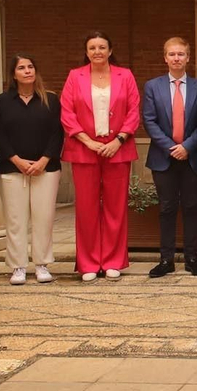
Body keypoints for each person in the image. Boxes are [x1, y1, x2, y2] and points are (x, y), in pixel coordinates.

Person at [60, 31, 140, 281]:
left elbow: (133, 111)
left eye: (102, 47)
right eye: (92, 48)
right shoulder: (75, 76)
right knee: (86, 208)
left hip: (118, 148)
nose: (97, 52)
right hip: (85, 150)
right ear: (86, 52)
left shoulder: (125, 75)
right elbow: (67, 113)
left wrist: (118, 140)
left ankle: (114, 260)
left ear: (110, 50)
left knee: (116, 208)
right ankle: (89, 263)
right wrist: (88, 141)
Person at [140, 37, 197, 278]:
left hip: (192, 157)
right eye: (172, 54)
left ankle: (192, 258)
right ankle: (166, 259)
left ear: (188, 58)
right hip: (163, 158)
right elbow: (149, 120)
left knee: (191, 207)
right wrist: (171, 147)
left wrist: (187, 146)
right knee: (167, 208)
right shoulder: (152, 86)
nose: (176, 58)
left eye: (181, 54)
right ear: (165, 58)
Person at [0, 54, 63, 286]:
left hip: (46, 169)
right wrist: (17, 160)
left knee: (44, 218)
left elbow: (57, 133)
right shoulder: (2, 102)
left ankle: (42, 263)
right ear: (13, 74)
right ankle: (18, 266)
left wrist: (43, 160)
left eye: (31, 67)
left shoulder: (50, 100)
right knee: (16, 219)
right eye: (21, 68)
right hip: (13, 169)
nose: (27, 71)